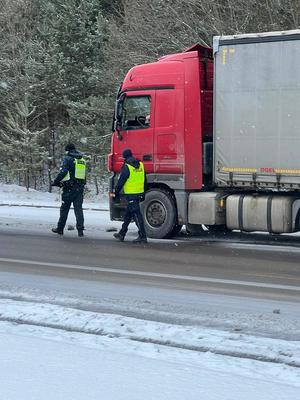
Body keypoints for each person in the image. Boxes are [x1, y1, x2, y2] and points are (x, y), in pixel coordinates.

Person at [51, 143, 86, 237]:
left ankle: (60, 229)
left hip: (69, 188)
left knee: (64, 209)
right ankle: (80, 230)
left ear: (68, 150)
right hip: (80, 188)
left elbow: (63, 172)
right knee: (78, 209)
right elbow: (84, 175)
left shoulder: (68, 158)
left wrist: (55, 181)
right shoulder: (82, 160)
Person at [113, 148, 147, 243]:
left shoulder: (126, 167)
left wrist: (115, 193)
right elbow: (145, 180)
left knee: (137, 215)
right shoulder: (140, 164)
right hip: (139, 193)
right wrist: (143, 192)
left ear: (124, 157)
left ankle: (143, 236)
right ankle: (122, 234)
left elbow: (120, 182)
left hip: (131, 194)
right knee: (128, 214)